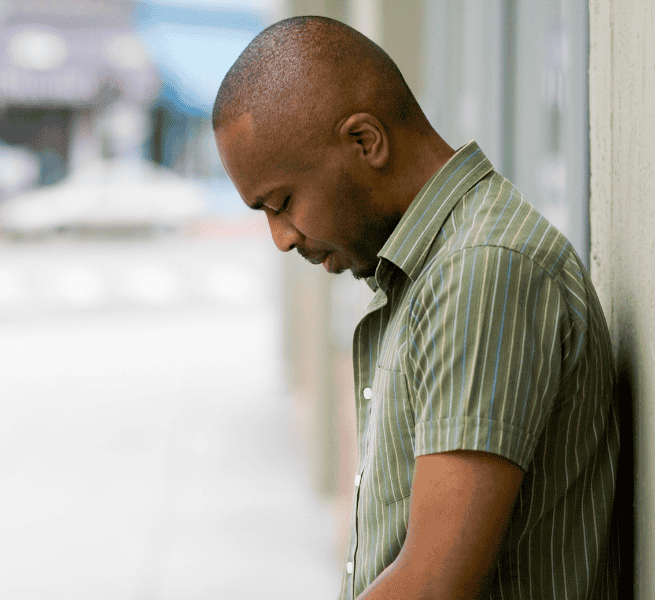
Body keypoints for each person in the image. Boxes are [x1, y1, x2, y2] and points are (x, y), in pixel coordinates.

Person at [212, 15, 620, 600]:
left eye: (282, 203)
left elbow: (432, 584)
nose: (281, 238)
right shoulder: (431, 273)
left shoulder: (481, 270)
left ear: (365, 141)